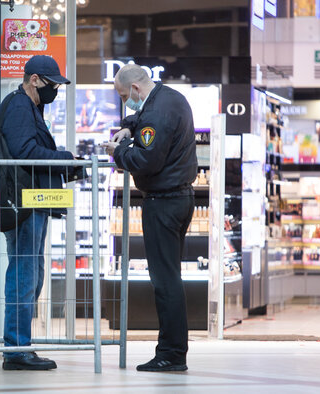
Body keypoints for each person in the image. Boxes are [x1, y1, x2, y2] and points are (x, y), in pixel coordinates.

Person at [102, 64, 197, 372]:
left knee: (165, 281)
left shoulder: (156, 114)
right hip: (180, 199)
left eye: (123, 96)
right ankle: (172, 350)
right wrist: (129, 126)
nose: (125, 103)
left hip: (164, 203)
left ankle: (171, 353)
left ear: (136, 90)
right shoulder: (170, 97)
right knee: (170, 277)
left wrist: (117, 151)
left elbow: (145, 161)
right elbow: (141, 119)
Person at [0, 55, 75, 370]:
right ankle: (16, 350)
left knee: (31, 273)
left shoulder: (28, 107)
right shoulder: (19, 107)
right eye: (52, 83)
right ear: (34, 80)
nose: (55, 89)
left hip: (32, 200)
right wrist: (63, 158)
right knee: (24, 273)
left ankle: (20, 346)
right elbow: (24, 152)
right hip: (24, 201)